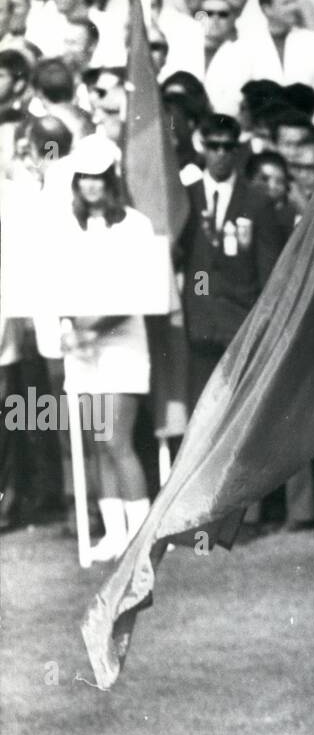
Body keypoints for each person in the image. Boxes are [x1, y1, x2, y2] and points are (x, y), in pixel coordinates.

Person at [56, 135, 153, 562]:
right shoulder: (68, 226)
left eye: (99, 177)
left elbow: (135, 292)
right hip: (81, 346)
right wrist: (67, 323)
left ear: (112, 180)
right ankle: (115, 536)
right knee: (98, 441)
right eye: (84, 178)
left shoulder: (135, 224)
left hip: (123, 344)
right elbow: (59, 283)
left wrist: (89, 325)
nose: (91, 185)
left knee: (117, 439)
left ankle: (141, 539)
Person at [176, 112, 284, 406]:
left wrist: (264, 324)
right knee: (200, 411)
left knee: (238, 410)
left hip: (239, 322)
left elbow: (269, 271)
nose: (221, 154)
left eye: (228, 147)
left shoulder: (257, 202)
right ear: (202, 146)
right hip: (198, 324)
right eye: (214, 146)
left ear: (238, 149)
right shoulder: (186, 197)